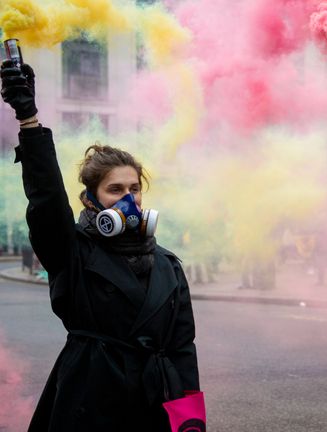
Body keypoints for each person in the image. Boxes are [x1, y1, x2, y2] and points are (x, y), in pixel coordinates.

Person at [2, 60, 199, 431]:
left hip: (152, 403)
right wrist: (29, 120)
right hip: (89, 400)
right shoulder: (72, 251)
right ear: (92, 201)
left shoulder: (167, 265)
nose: (129, 199)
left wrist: (190, 421)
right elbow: (46, 201)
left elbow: (182, 349)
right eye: (115, 190)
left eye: (134, 188)